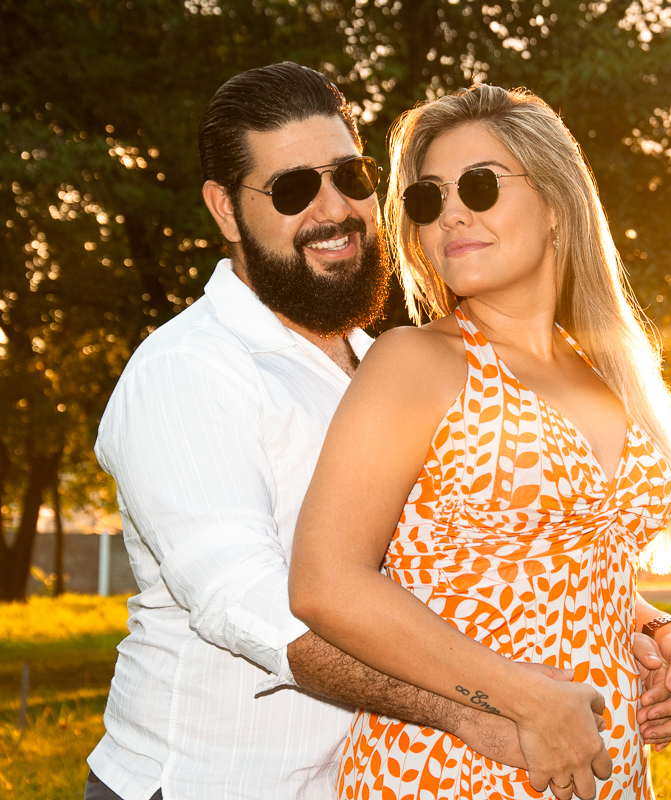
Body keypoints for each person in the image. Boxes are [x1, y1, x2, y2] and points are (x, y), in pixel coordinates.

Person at [88, 62, 526, 800]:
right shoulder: (187, 371)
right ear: (226, 211)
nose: (335, 210)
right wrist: (472, 712)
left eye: (351, 175)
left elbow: (477, 545)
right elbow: (247, 605)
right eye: (293, 189)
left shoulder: (385, 363)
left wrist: (648, 630)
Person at [289, 84, 671, 800]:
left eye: (480, 186)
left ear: (554, 203)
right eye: (427, 198)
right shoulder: (415, 362)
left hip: (609, 770)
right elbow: (326, 585)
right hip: (453, 770)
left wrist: (664, 630)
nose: (452, 211)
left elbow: (553, 566)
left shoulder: (606, 368)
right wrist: (523, 694)